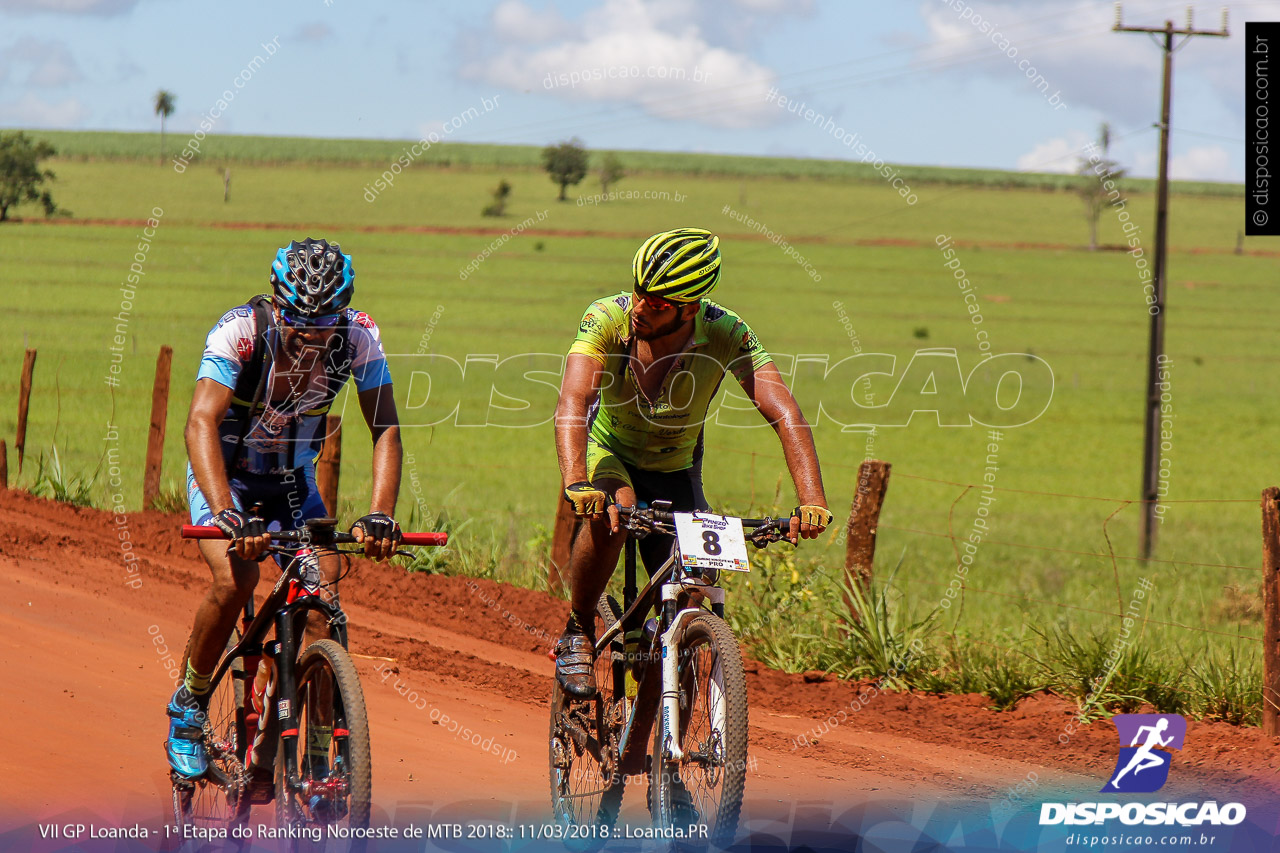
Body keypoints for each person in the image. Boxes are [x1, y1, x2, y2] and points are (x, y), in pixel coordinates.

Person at [552, 227, 832, 697]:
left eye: (657, 304)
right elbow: (574, 399)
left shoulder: (726, 331)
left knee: (695, 580)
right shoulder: (606, 317)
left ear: (690, 307)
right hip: (612, 454)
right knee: (615, 512)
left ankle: (667, 689)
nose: (640, 308)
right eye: (639, 292)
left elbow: (785, 412)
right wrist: (577, 481)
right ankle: (577, 631)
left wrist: (812, 499)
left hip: (676, 466)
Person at [166, 238, 403, 781]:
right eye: (299, 318)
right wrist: (227, 513)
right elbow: (200, 422)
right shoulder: (240, 331)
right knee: (235, 578)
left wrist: (381, 514)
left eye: (324, 321)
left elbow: (385, 428)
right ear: (279, 303)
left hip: (292, 484)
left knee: (322, 600)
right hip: (225, 477)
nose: (311, 333)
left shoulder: (359, 336)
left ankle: (315, 747)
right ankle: (190, 704)